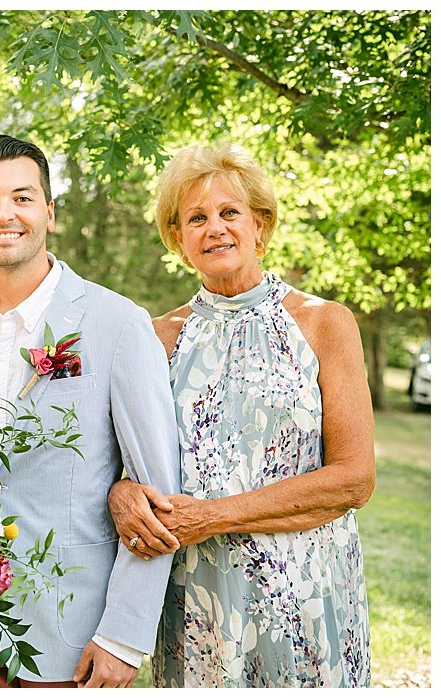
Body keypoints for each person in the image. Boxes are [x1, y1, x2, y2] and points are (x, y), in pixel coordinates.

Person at [106, 143, 372, 687]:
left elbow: (353, 479)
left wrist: (213, 516)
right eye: (195, 218)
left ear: (260, 225)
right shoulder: (154, 338)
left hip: (307, 599)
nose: (215, 229)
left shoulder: (325, 323)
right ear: (178, 238)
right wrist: (121, 495)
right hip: (198, 600)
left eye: (230, 213)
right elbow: (120, 467)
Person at [0, 135, 181, 687]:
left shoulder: (118, 324)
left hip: (74, 640)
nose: (4, 213)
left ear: (49, 212)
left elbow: (159, 493)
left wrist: (123, 636)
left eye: (22, 197)